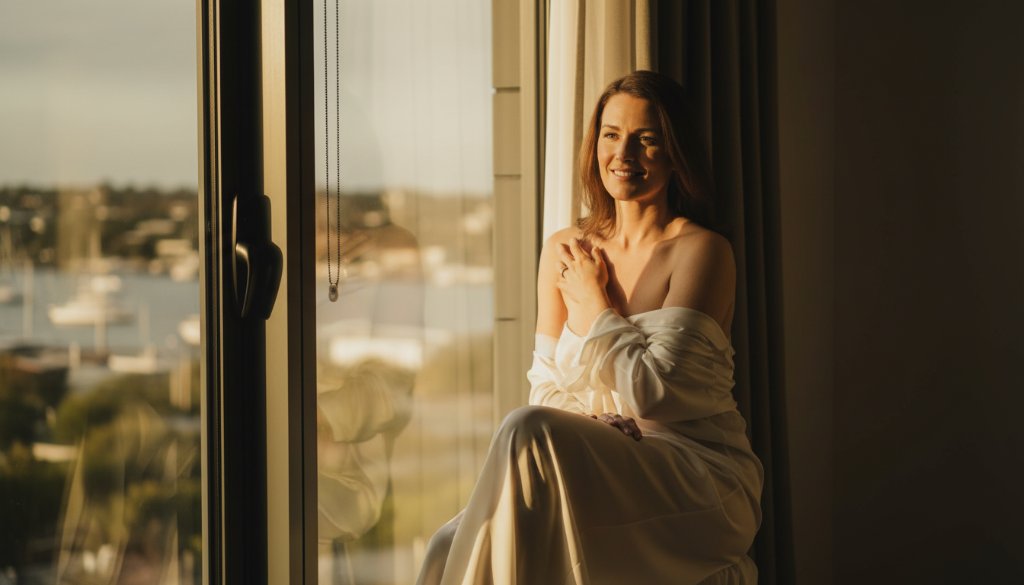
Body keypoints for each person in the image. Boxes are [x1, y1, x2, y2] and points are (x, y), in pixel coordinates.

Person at [416, 70, 763, 585]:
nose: (623, 155)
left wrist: (593, 302)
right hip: (604, 454)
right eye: (611, 134)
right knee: (448, 541)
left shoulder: (700, 251)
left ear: (674, 153)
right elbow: (548, 384)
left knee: (524, 426)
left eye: (646, 140)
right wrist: (595, 423)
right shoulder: (566, 247)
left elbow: (657, 396)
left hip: (694, 474)